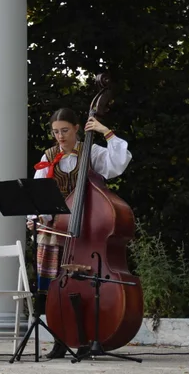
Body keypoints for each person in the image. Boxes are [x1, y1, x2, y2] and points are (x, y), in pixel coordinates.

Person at [29, 107, 132, 358]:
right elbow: (38, 193)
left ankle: (88, 337)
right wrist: (35, 218)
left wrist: (105, 132)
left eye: (65, 130)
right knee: (52, 286)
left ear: (77, 128)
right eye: (55, 132)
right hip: (57, 228)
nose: (60, 136)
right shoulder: (49, 155)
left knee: (87, 285)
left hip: (86, 227)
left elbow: (117, 164)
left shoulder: (92, 152)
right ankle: (59, 340)